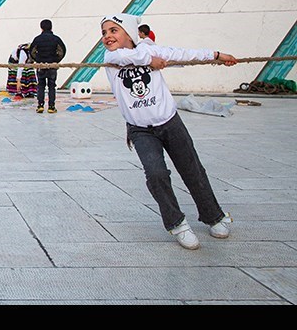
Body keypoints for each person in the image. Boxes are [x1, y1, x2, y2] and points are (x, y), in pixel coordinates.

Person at [100, 13, 235, 250]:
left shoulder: (150, 50)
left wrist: (215, 55)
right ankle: (177, 223)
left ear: (129, 33)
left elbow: (182, 54)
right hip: (141, 130)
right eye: (104, 32)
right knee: (156, 174)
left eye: (113, 30)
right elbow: (128, 56)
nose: (107, 36)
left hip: (170, 123)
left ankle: (213, 216)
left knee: (192, 170)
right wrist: (149, 61)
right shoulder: (112, 57)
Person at [29, 19, 67, 114]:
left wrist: (37, 60)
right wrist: (56, 60)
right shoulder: (56, 39)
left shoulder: (37, 39)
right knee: (51, 86)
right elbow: (62, 51)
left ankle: (40, 105)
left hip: (41, 66)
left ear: (41, 28)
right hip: (52, 66)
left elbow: (32, 51)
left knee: (41, 85)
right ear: (51, 27)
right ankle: (51, 106)